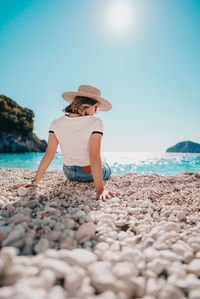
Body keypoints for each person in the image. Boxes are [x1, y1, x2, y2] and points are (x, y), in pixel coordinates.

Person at [29, 85, 115, 200]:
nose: (95, 112)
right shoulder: (96, 122)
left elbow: (49, 153)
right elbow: (94, 156)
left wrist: (35, 181)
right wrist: (100, 189)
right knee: (107, 166)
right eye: (95, 108)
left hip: (68, 172)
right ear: (87, 105)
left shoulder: (55, 122)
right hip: (87, 173)